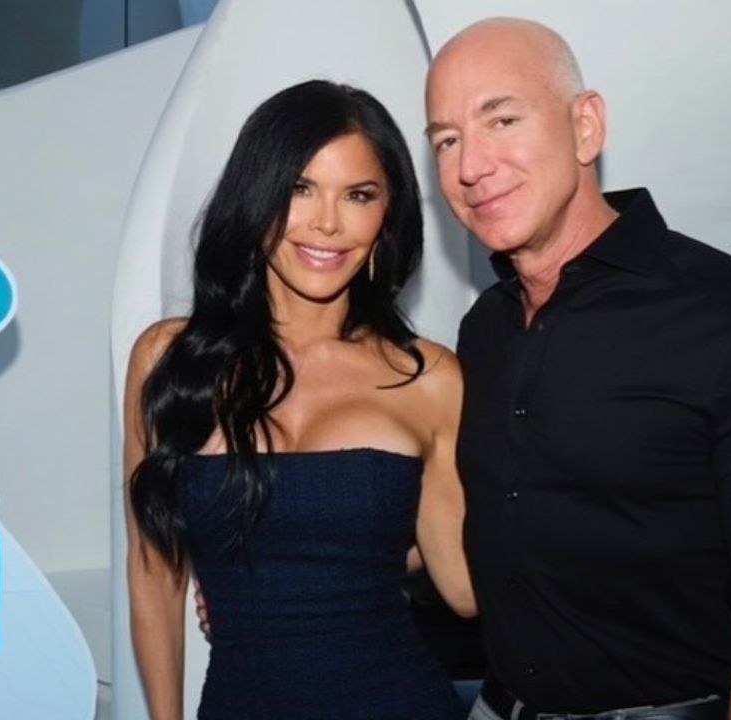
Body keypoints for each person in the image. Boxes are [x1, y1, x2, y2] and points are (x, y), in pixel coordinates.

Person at [424, 17, 731, 720]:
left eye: (502, 119)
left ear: (585, 127)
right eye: (446, 140)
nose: (471, 165)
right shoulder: (486, 329)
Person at [124, 80, 476, 719]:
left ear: (388, 214)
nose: (327, 223)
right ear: (256, 195)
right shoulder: (168, 360)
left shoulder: (427, 376)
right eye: (299, 188)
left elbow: (462, 587)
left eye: (359, 195)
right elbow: (153, 573)